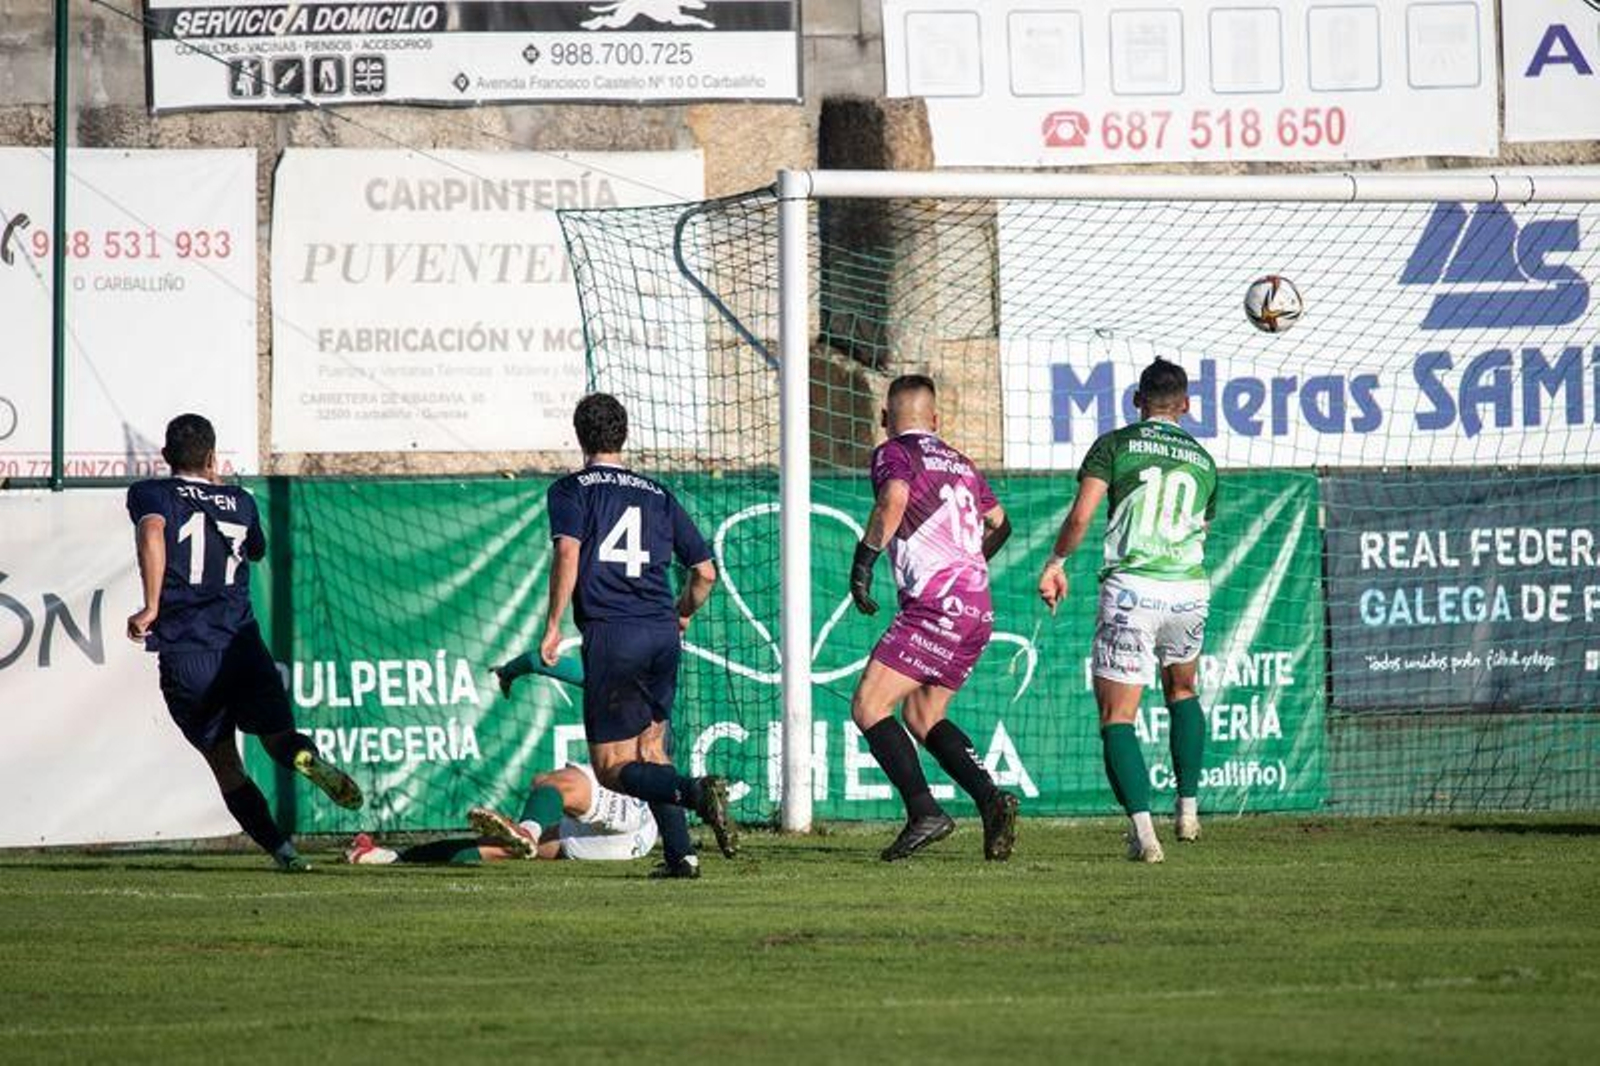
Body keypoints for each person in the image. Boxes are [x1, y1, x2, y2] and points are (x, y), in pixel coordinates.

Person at [126, 413, 362, 872]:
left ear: (166, 455)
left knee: (226, 762)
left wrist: (151, 606)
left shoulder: (150, 493)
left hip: (189, 651)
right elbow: (255, 550)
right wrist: (219, 492)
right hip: (242, 646)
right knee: (279, 738)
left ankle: (284, 853)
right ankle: (305, 757)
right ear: (213, 457)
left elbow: (152, 531)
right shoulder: (241, 501)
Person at [539, 392, 734, 880]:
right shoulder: (658, 493)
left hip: (613, 632)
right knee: (652, 749)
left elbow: (568, 553)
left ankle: (696, 793)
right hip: (662, 633)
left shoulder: (571, 490)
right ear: (623, 435)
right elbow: (706, 572)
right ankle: (681, 856)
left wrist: (553, 625)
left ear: (579, 435)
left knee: (611, 767)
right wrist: (682, 613)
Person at [1038, 358, 1218, 863]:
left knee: (1118, 716)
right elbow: (1200, 529)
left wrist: (1056, 562)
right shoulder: (1203, 460)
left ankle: (1144, 835)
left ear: (1137, 400)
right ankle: (1188, 810)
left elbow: (1081, 516)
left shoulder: (1115, 445)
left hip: (1134, 590)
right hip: (1188, 590)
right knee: (1183, 690)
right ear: (1186, 405)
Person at [847, 374, 1020, 862]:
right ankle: (990, 799)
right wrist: (970, 564)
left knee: (869, 706)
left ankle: (924, 811)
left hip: (936, 606)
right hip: (977, 609)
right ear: (936, 420)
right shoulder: (962, 463)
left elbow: (894, 500)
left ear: (885, 418)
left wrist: (863, 562)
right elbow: (1000, 523)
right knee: (923, 715)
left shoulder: (894, 452)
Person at [345, 764, 657, 865]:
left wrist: (522, 665)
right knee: (502, 846)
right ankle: (388, 857)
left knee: (549, 783)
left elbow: (560, 666)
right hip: (630, 841)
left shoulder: (612, 656)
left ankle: (527, 830)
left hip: (634, 803)